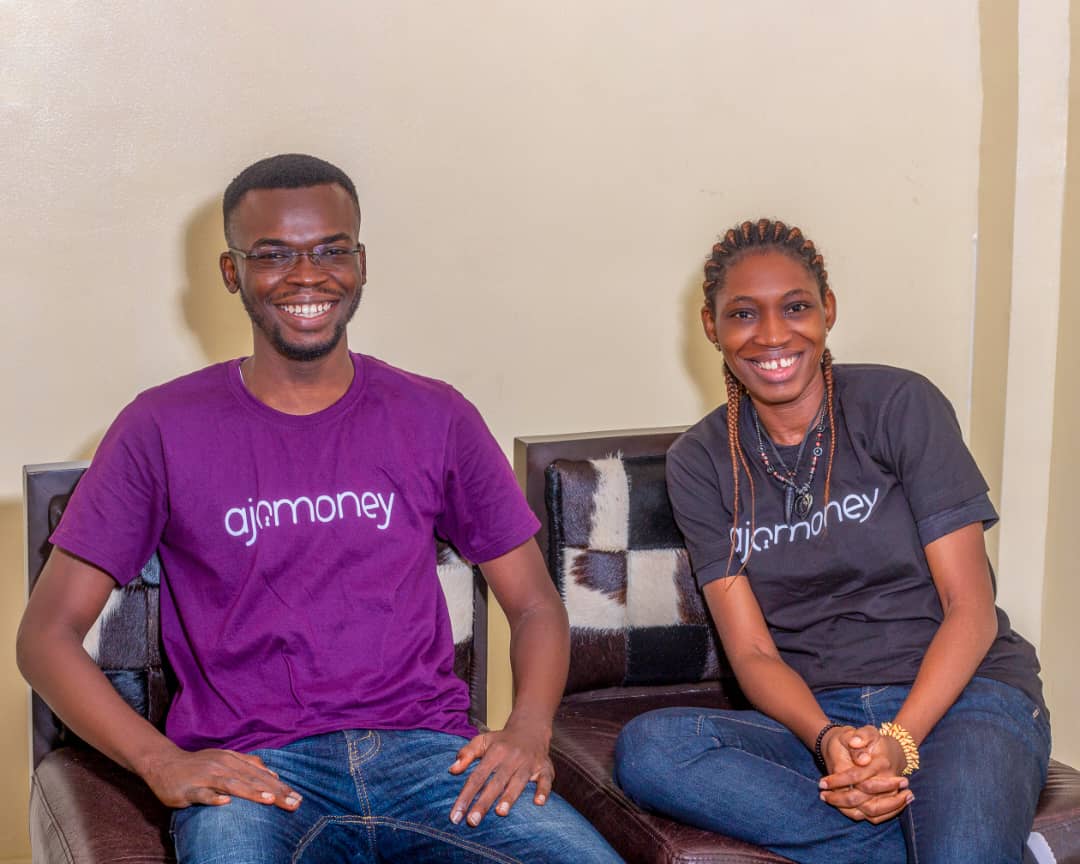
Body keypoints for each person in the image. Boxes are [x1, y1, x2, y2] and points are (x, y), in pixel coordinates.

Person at [17, 154, 622, 864]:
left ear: (361, 264)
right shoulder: (160, 427)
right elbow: (45, 636)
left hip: (432, 759)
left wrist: (528, 729)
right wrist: (160, 760)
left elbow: (536, 604)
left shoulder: (435, 415)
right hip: (255, 772)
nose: (307, 275)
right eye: (273, 255)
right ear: (231, 272)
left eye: (332, 250)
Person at [613, 219, 1050, 864]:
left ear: (829, 311)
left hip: (964, 696)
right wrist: (828, 740)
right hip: (821, 718)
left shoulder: (899, 404)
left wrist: (900, 740)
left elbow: (971, 609)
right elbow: (753, 651)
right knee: (651, 749)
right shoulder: (700, 461)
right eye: (743, 314)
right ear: (711, 326)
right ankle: (928, 844)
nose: (771, 335)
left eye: (795, 307)